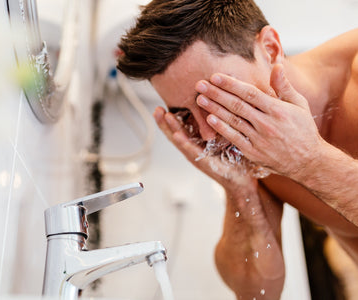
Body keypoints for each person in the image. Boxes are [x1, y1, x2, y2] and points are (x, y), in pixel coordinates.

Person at [116, 0, 358, 299]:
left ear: (270, 48)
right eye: (185, 113)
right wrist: (240, 189)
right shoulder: (255, 148)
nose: (207, 132)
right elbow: (258, 292)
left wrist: (309, 161)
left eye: (217, 98)